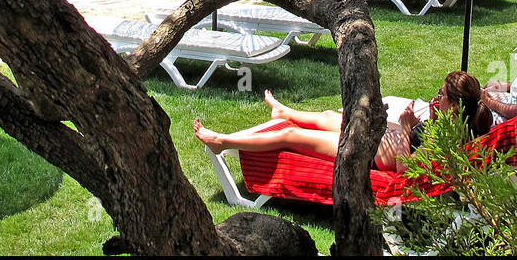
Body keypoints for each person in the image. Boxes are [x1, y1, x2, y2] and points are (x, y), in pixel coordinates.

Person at [193, 72, 492, 174]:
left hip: (368, 156)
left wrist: (403, 126)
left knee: (291, 136)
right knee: (327, 117)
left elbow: (405, 168)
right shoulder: (451, 126)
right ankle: (284, 110)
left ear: (454, 107)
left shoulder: (447, 140)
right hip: (377, 139)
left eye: (440, 96)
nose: (434, 98)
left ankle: (223, 142)